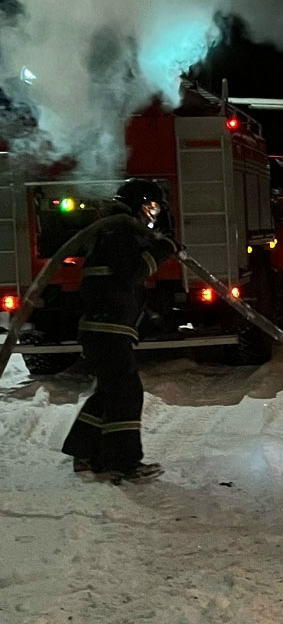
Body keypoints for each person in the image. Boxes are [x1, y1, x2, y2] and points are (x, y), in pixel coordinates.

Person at [61, 178, 179, 482]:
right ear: (136, 204)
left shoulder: (116, 232)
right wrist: (163, 250)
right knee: (126, 393)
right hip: (107, 328)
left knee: (111, 391)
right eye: (150, 206)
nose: (152, 214)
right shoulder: (119, 231)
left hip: (105, 328)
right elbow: (130, 272)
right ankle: (122, 462)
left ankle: (84, 451)